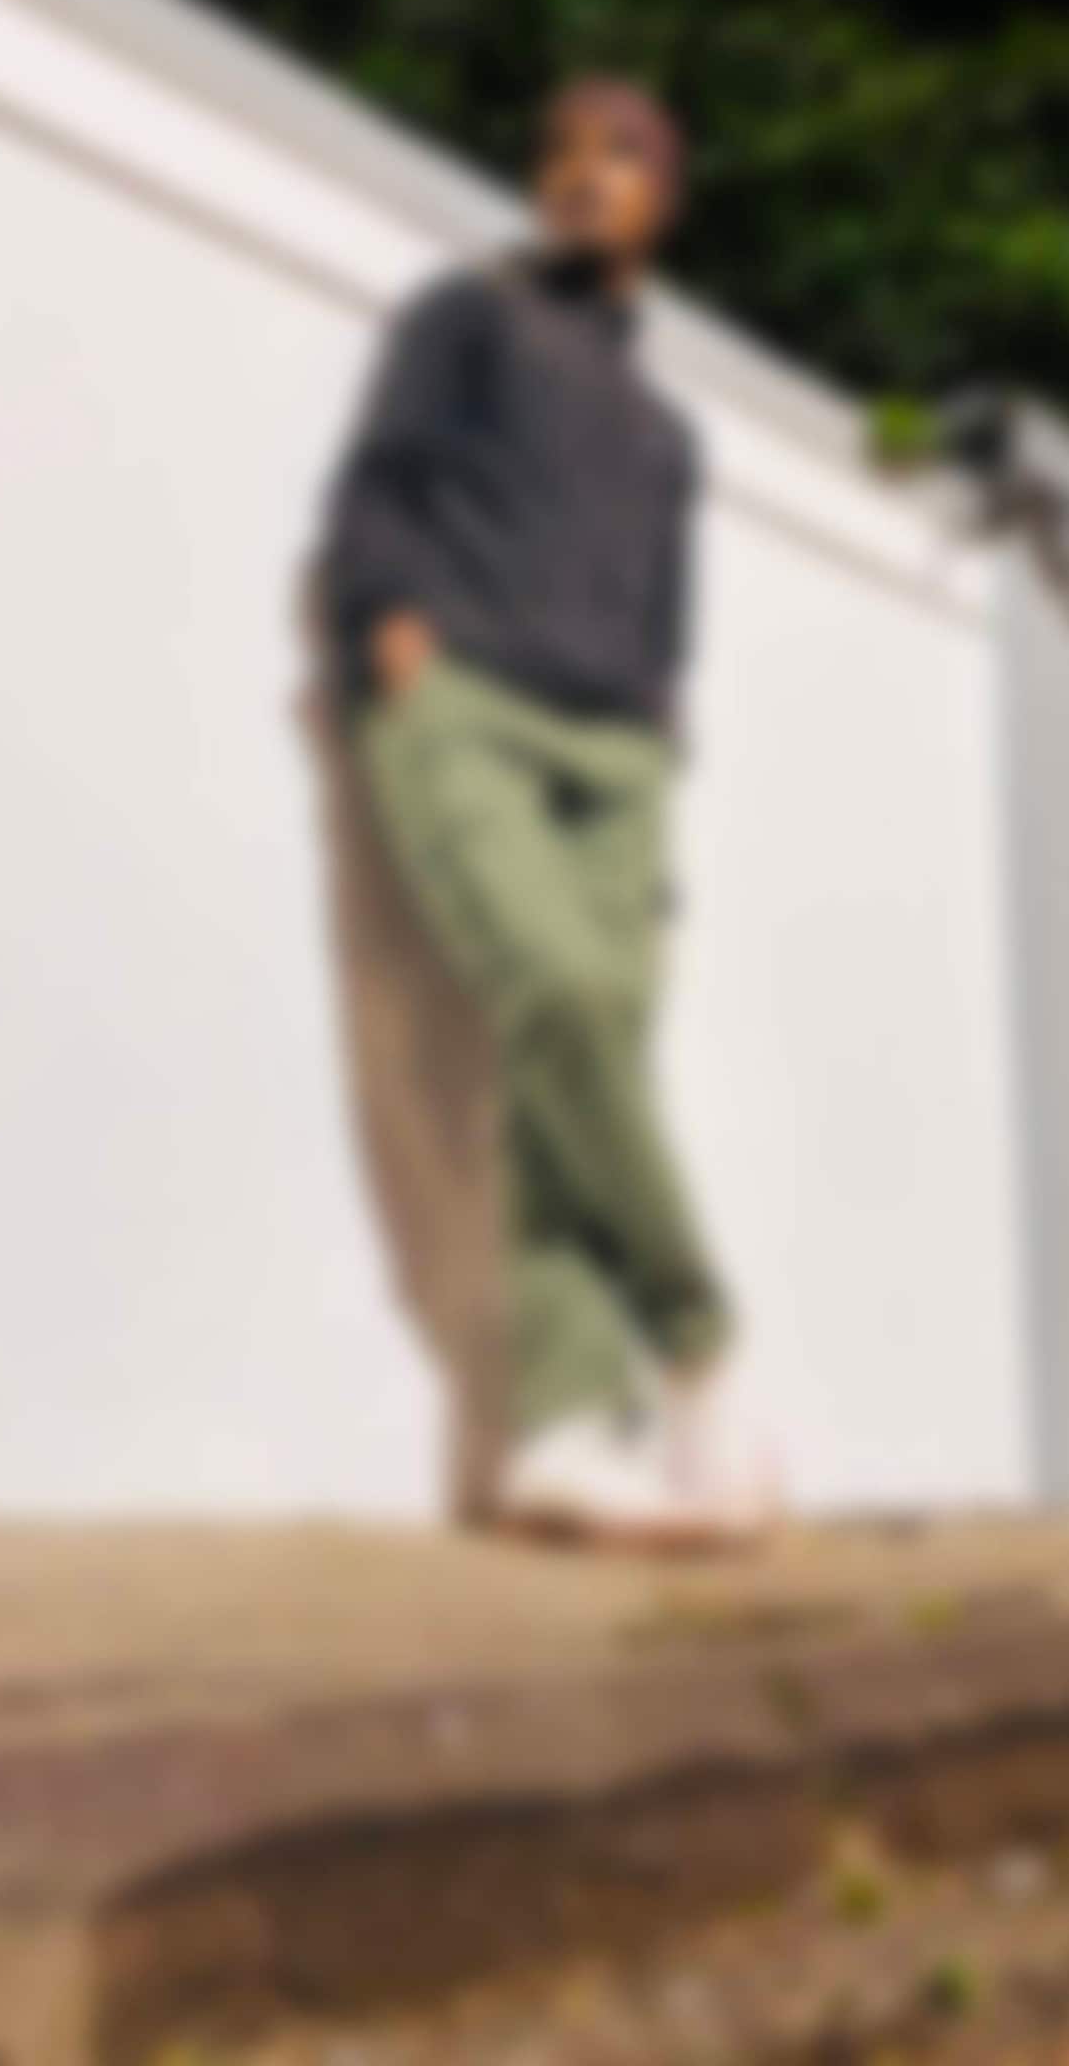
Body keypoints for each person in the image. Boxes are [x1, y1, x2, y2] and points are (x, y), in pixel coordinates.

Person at [317, 77, 774, 1546]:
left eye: (621, 153)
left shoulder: (669, 434)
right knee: (562, 996)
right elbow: (379, 483)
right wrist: (386, 628)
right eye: (561, 151)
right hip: (469, 705)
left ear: (664, 199)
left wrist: (660, 737)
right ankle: (700, 1341)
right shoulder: (466, 316)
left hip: (621, 756)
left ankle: (569, 1431)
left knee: (579, 1069)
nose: (584, 172)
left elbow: (669, 616)